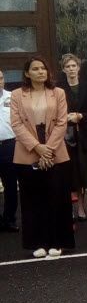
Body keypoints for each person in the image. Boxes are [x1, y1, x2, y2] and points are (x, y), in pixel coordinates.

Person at [10, 57, 74, 258]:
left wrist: (48, 149)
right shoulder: (17, 95)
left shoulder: (58, 93)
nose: (41, 72)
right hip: (28, 150)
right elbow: (16, 124)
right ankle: (36, 242)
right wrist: (37, 147)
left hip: (54, 149)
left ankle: (58, 241)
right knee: (32, 200)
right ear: (27, 73)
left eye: (43, 68)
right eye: (35, 69)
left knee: (57, 197)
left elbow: (62, 122)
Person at [57, 54, 87, 222]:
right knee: (67, 173)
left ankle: (81, 207)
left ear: (79, 68)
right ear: (63, 69)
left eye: (74, 66)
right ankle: (69, 208)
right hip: (63, 137)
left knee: (81, 174)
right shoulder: (57, 87)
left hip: (83, 136)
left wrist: (80, 115)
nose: (71, 69)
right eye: (68, 66)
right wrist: (65, 117)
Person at [0, 69, 19, 232]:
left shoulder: (12, 97)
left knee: (11, 185)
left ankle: (9, 219)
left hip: (9, 146)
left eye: (0, 78)